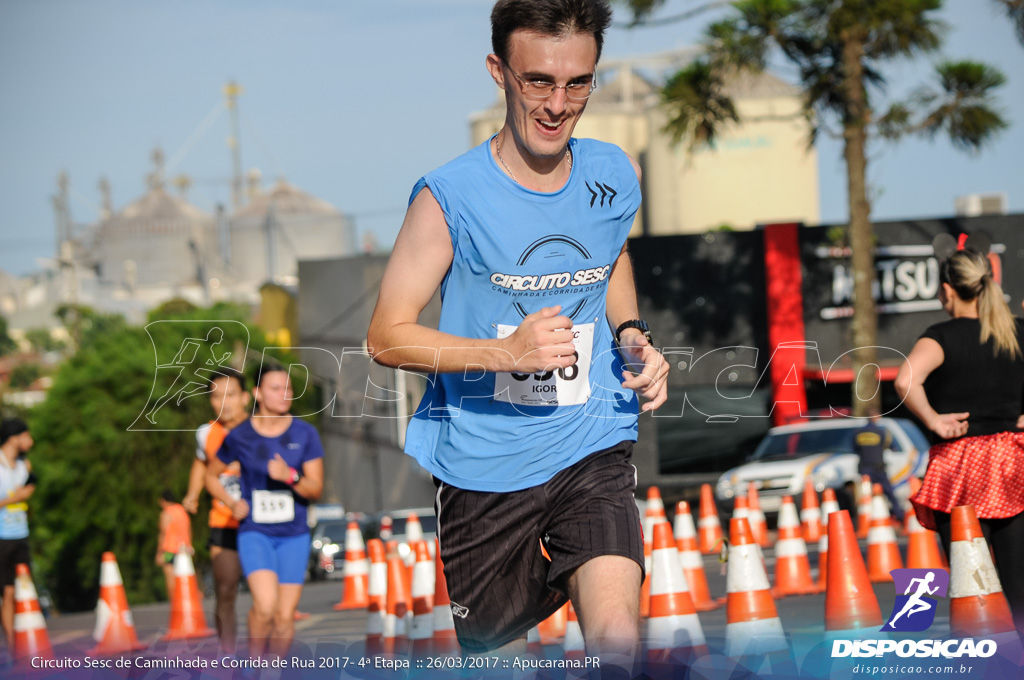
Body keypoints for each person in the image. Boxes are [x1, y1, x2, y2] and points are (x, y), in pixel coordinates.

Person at [366, 0, 668, 670]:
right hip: (482, 465)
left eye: (578, 83)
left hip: (591, 439)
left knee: (617, 642)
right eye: (539, 81)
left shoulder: (615, 173)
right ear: (498, 72)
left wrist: (630, 333)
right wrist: (505, 354)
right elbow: (386, 336)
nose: (559, 104)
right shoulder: (448, 196)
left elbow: (611, 255)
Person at [895, 247, 1024, 629]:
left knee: (972, 584)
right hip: (1015, 459)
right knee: (1020, 584)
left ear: (947, 291)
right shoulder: (1017, 329)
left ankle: (983, 662)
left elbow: (905, 379)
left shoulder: (940, 337)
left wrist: (935, 420)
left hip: (961, 465)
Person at [205, 363, 324, 661]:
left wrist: (290, 477)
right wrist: (232, 503)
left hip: (294, 535)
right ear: (257, 393)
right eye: (275, 388)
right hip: (255, 532)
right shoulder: (240, 436)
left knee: (284, 618)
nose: (285, 394)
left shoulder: (305, 433)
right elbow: (210, 475)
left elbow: (315, 488)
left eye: (288, 388)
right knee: (266, 606)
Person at [183, 367, 249, 654]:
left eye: (230, 395)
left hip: (260, 522)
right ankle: (228, 655)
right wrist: (193, 493)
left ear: (245, 397)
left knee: (266, 594)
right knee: (225, 589)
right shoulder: (205, 434)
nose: (224, 402)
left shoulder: (262, 428)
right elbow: (201, 463)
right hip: (223, 520)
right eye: (216, 396)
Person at [0, 418, 34, 653]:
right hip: (1, 537)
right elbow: (17, 496)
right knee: (8, 593)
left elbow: (30, 488)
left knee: (22, 589)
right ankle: (12, 646)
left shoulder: (25, 466)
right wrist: (17, 498)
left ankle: (25, 643)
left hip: (21, 534)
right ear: (14, 438)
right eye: (26, 436)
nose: (30, 441)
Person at [853, 409, 904, 523]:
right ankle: (899, 516)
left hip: (864, 469)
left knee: (865, 495)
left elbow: (855, 449)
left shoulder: (858, 433)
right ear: (876, 417)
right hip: (878, 468)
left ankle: (865, 519)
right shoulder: (881, 432)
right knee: (889, 492)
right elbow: (892, 447)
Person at [156, 490, 193, 599]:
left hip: (170, 549)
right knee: (185, 576)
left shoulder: (166, 513)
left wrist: (159, 553)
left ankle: (175, 601)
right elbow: (189, 529)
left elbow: (163, 533)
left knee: (170, 576)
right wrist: (189, 545)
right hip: (185, 548)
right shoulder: (183, 511)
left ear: (163, 501)